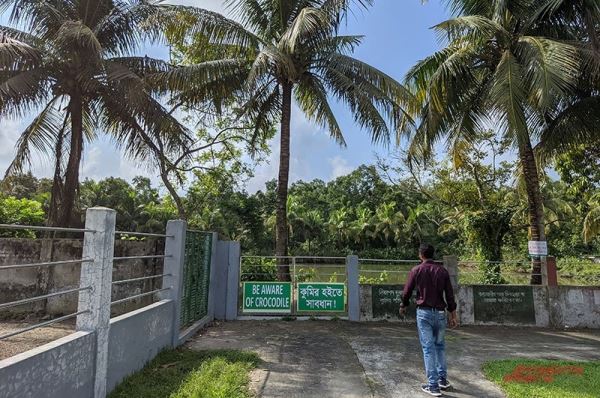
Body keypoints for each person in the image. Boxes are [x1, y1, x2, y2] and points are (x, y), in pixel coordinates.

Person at [400, 243, 458, 397]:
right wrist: (453, 314)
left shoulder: (416, 270)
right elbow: (450, 295)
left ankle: (433, 386)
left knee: (428, 348)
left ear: (421, 255)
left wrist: (403, 305)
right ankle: (442, 380)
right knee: (440, 346)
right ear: (433, 255)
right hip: (440, 313)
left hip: (424, 313)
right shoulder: (442, 271)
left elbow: (407, 291)